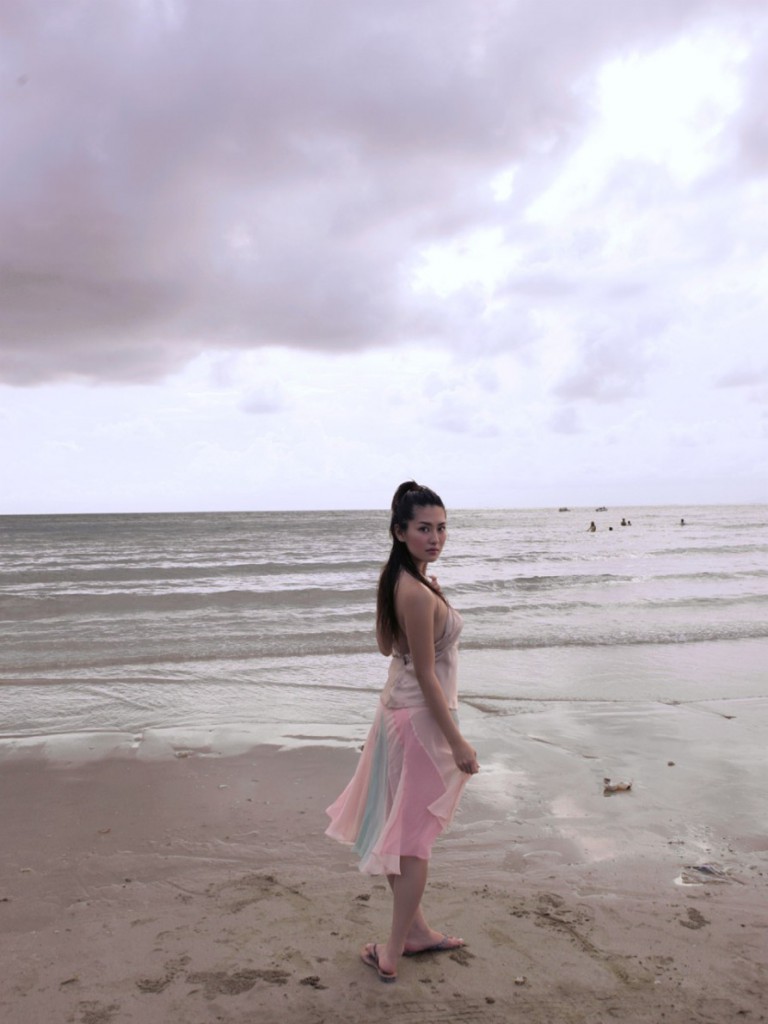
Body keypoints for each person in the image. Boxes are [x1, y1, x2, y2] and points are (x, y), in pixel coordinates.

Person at [325, 481, 479, 983]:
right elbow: (427, 674)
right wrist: (457, 741)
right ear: (399, 531)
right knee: (413, 842)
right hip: (418, 721)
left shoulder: (403, 580)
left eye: (441, 528)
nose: (435, 538)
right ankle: (393, 951)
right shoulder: (414, 590)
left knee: (402, 831)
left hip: (398, 714)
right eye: (424, 529)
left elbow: (387, 646)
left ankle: (416, 932)